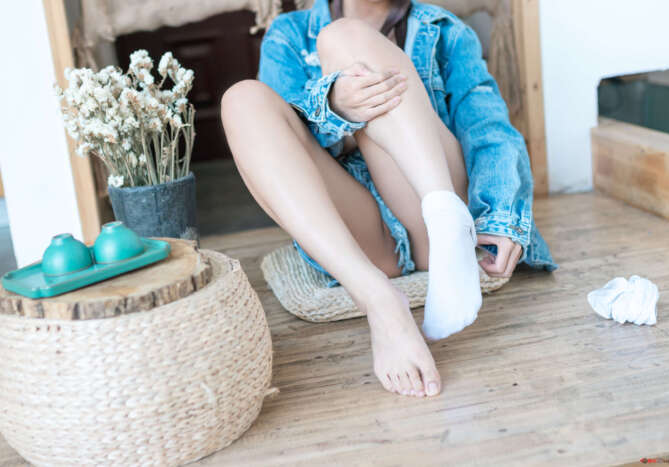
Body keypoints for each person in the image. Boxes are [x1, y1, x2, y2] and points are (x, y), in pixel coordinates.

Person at [220, 0, 556, 398]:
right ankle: (380, 301)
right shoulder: (289, 35)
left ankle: (447, 217)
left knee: (343, 37)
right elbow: (279, 150)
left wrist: (500, 214)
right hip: (362, 237)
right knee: (241, 98)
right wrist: (334, 106)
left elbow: (490, 129)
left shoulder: (444, 30)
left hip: (426, 209)